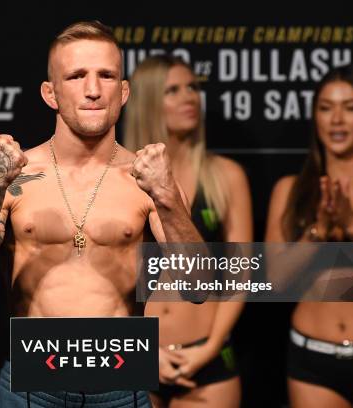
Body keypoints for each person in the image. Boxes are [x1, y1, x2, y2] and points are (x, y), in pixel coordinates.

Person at [0, 21, 204, 407]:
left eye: (107, 75)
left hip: (121, 387)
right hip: (29, 387)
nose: (94, 90)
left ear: (125, 91)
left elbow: (199, 288)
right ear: (51, 93)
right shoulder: (15, 175)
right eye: (77, 76)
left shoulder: (149, 180)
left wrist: (167, 197)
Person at [124, 55, 251, 408]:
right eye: (173, 90)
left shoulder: (226, 176)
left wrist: (211, 346)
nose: (189, 97)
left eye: (193, 87)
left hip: (206, 357)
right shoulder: (120, 177)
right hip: (135, 355)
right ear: (148, 101)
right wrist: (140, 350)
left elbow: (241, 273)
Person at [265, 65, 353, 408]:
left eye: (350, 108)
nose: (337, 120)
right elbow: (275, 281)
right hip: (311, 361)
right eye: (325, 107)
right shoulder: (289, 190)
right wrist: (317, 232)